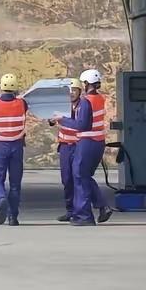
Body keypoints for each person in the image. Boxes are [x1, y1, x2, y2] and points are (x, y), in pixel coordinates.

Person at [49, 69, 113, 225]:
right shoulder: (100, 98)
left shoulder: (86, 101)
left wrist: (62, 119)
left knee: (79, 177)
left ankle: (83, 216)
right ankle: (94, 209)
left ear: (84, 84)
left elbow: (82, 125)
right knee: (82, 177)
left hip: (86, 142)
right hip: (97, 142)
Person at [0, 73, 27, 226]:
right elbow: (22, 101)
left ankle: (1, 198)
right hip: (16, 145)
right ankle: (13, 217)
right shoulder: (22, 104)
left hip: (0, 146)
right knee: (15, 184)